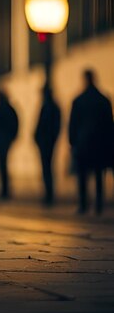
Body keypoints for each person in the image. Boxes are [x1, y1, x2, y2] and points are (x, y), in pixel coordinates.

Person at [68, 69, 113, 214]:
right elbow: (109, 124)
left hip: (83, 143)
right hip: (100, 143)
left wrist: (72, 142)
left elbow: (73, 124)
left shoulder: (78, 100)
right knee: (99, 175)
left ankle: (83, 204)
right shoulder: (104, 100)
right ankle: (99, 204)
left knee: (83, 176)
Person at [34, 84, 61, 206]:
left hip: (46, 142)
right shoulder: (51, 106)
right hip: (46, 142)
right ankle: (48, 193)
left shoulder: (48, 107)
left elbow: (48, 126)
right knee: (47, 168)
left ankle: (49, 194)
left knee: (47, 168)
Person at [0, 89, 19, 199]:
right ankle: (4, 189)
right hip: (2, 141)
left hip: (3, 141)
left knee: (2, 165)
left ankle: (5, 190)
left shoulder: (3, 109)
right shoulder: (7, 109)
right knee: (2, 165)